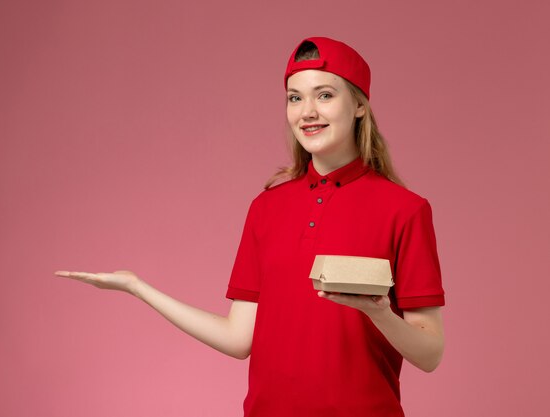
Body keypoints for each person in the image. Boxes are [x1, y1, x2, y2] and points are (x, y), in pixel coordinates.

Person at [55, 36, 445, 417]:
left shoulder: (405, 210)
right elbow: (239, 338)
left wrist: (380, 313)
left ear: (359, 105)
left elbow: (430, 354)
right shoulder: (266, 208)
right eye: (295, 98)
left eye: (324, 95)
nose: (307, 111)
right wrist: (137, 287)